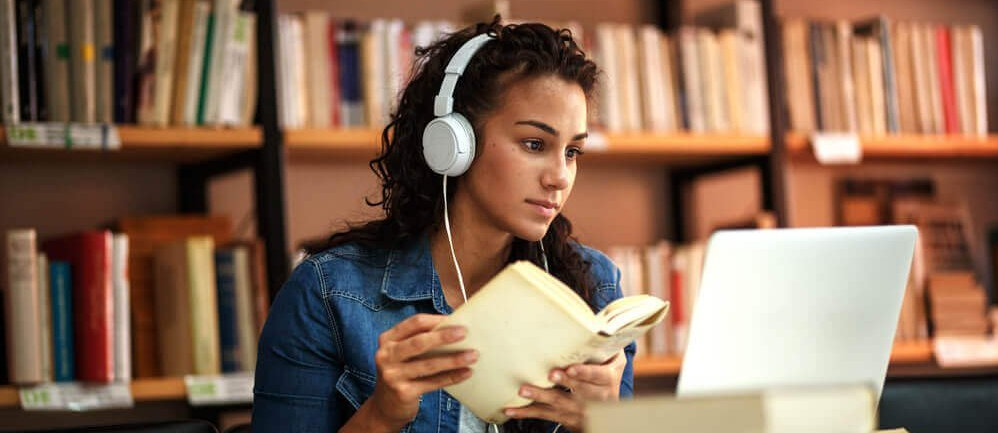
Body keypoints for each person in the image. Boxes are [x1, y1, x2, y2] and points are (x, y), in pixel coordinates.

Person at [252, 17, 635, 433]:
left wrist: (603, 424)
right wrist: (381, 416)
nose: (560, 176)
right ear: (454, 144)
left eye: (573, 151)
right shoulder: (327, 295)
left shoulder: (595, 287)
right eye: (534, 144)